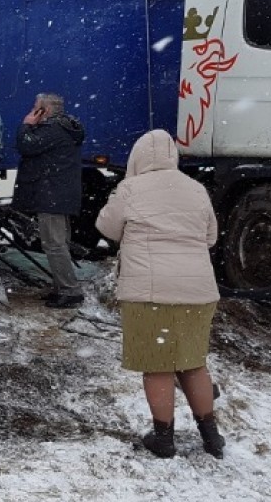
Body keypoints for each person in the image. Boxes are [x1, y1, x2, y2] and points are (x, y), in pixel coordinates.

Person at [95, 129, 224, 459]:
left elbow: (106, 228)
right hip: (198, 291)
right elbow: (211, 237)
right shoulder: (196, 189)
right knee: (193, 364)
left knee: (158, 366)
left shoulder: (131, 188)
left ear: (137, 158)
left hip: (150, 292)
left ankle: (164, 438)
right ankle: (212, 436)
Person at [13, 92, 86, 308]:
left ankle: (70, 291)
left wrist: (26, 124)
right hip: (59, 194)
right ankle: (61, 287)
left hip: (51, 195)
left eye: (35, 107)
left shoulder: (52, 129)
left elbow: (26, 145)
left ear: (43, 110)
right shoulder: (64, 128)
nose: (32, 110)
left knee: (54, 244)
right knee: (58, 243)